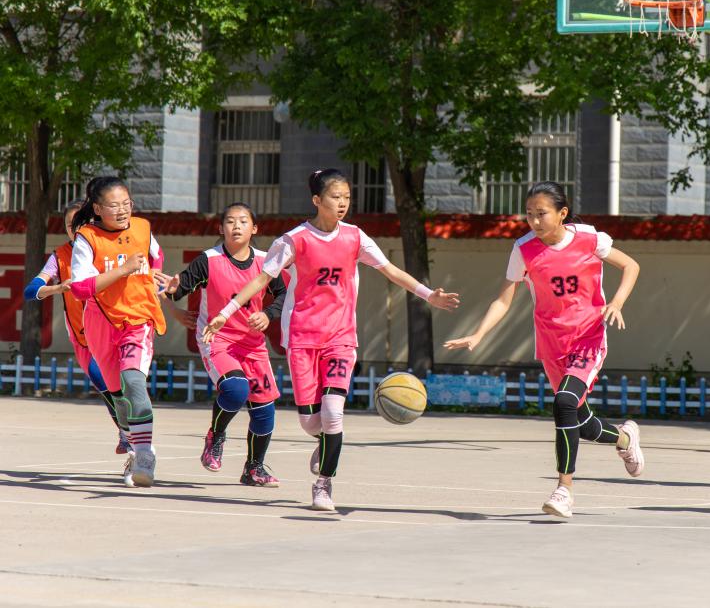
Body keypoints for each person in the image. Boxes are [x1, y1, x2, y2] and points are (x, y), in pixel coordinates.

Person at [202, 169, 459, 511]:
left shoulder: (355, 237)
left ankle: (323, 485)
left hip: (341, 337)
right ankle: (326, 441)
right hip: (302, 339)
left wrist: (429, 295)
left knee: (333, 412)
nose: (342, 203)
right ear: (316, 200)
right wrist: (227, 311)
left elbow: (390, 270)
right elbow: (262, 279)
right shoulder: (294, 240)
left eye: (347, 197)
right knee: (311, 421)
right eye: (335, 197)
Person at [444, 181, 643, 518]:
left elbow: (631, 266)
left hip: (588, 338)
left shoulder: (589, 239)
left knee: (563, 402)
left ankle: (564, 490)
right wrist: (478, 334)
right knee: (580, 421)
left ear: (562, 213)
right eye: (529, 214)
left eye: (542, 214)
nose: (534, 221)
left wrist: (617, 302)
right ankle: (625, 439)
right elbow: (503, 300)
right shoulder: (524, 249)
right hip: (552, 344)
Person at [163, 202, 287, 486]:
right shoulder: (208, 260)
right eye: (230, 221)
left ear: (255, 228)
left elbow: (283, 294)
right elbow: (176, 289)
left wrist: (268, 315)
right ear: (221, 228)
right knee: (235, 389)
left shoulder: (266, 261)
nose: (237, 226)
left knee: (264, 409)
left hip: (252, 343)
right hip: (216, 338)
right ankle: (216, 436)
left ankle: (254, 468)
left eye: (243, 221)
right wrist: (172, 294)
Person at [69, 177, 171, 487]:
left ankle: (144, 455)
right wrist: (123, 270)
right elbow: (80, 288)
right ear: (98, 209)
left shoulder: (142, 227)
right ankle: (134, 445)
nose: (123, 210)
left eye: (127, 203)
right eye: (114, 205)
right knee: (120, 400)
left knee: (133, 381)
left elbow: (156, 255)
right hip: (101, 323)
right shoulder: (87, 238)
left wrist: (155, 278)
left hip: (138, 319)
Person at [23, 200, 131, 454]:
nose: (75, 228)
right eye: (70, 224)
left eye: (81, 222)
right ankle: (128, 434)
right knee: (104, 382)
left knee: (124, 386)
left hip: (113, 328)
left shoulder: (107, 247)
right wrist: (57, 288)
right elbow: (30, 291)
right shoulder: (60, 257)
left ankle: (132, 435)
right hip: (84, 337)